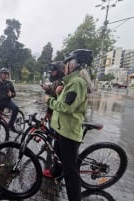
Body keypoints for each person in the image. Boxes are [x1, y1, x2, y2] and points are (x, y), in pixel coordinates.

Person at [44, 49, 93, 201]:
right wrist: (58, 94)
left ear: (72, 65)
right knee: (57, 155)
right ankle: (55, 174)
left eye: (66, 64)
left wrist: (48, 100)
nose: (64, 67)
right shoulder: (70, 82)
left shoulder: (77, 83)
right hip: (61, 129)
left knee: (71, 173)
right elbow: (65, 102)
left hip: (69, 133)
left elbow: (66, 108)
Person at [0, 67, 19, 140]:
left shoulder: (9, 83)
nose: (5, 75)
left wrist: (11, 94)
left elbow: (14, 93)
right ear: (0, 74)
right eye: (4, 74)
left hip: (8, 101)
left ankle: (10, 125)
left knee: (16, 108)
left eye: (6, 74)